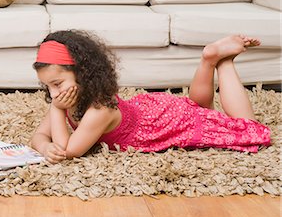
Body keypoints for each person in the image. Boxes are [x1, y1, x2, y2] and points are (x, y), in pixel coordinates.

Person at [30, 30, 272, 163]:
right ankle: (208, 59)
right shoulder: (68, 97)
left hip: (161, 123)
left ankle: (225, 63)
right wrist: (44, 146)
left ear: (82, 73)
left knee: (248, 129)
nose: (53, 93)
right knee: (199, 108)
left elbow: (69, 150)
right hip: (151, 111)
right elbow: (40, 135)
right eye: (47, 86)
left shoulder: (100, 108)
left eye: (57, 83)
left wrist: (57, 112)